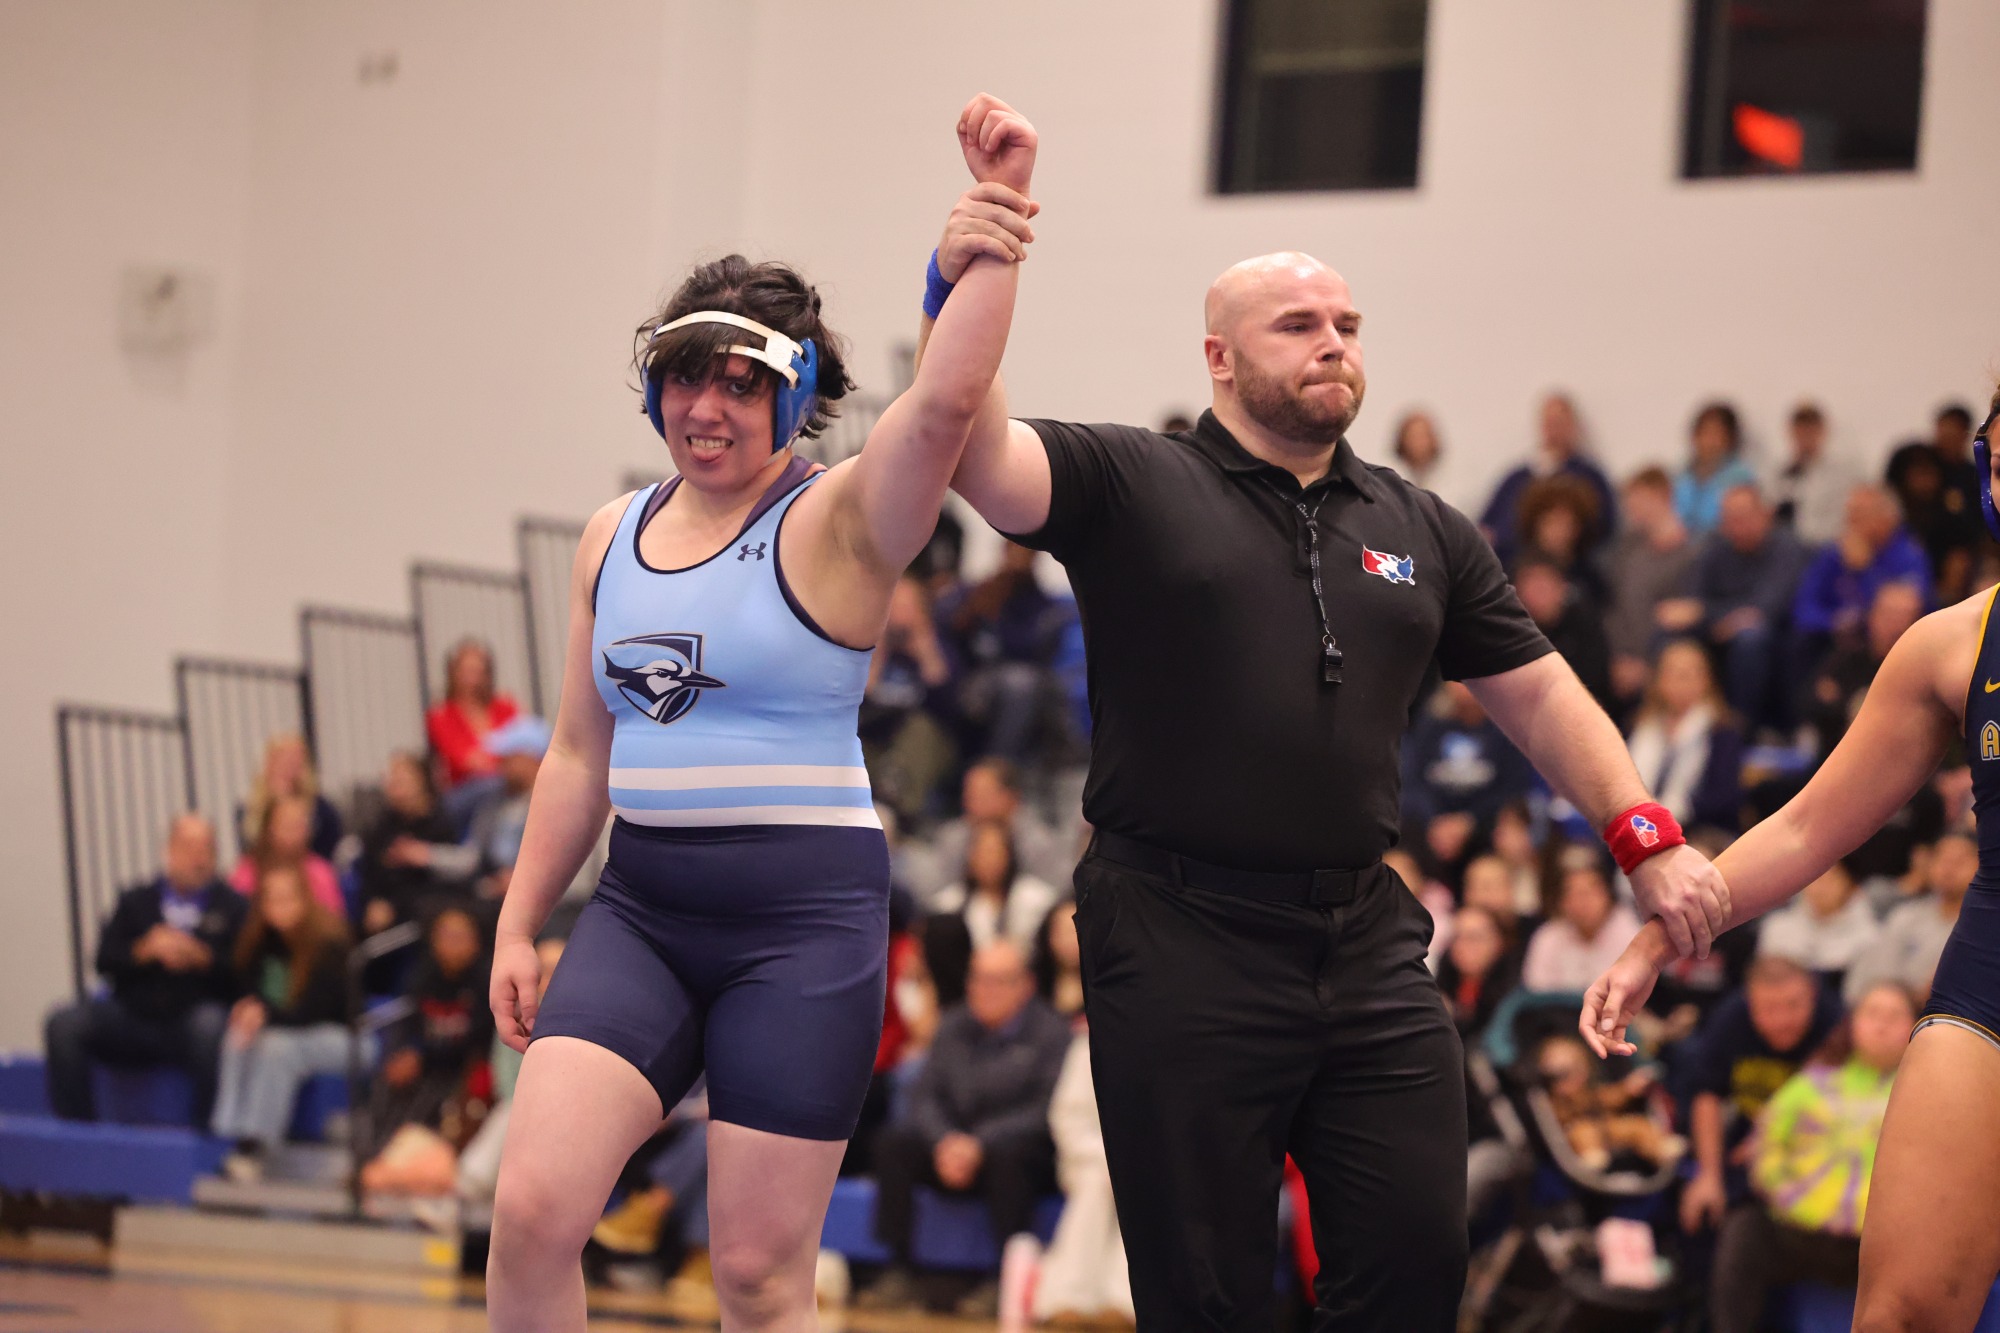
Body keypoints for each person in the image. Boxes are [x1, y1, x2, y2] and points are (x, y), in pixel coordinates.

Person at [937, 232, 1726, 1329]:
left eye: (1347, 326)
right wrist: (969, 275)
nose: (1333, 344)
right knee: (1203, 1296)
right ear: (1219, 357)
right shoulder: (1135, 480)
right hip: (1177, 935)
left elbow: (1542, 694)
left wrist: (1644, 835)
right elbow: (970, 446)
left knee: (1416, 1259)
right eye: (1298, 325)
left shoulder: (1420, 525)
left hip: (1361, 937)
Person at [481, 94, 1040, 1333]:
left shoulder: (839, 520)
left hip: (800, 924)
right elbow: (575, 752)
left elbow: (943, 410)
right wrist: (519, 923)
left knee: (755, 1275)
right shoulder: (610, 535)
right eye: (686, 381)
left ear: (795, 404)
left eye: (741, 388)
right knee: (529, 1212)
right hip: (642, 908)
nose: (707, 410)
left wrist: (976, 247)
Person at [861, 940, 1070, 1318]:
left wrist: (979, 1143)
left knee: (1013, 1157)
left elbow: (1046, 1109)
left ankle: (1002, 1279)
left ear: (1025, 985)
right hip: (953, 1145)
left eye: (997, 980)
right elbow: (925, 1096)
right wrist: (945, 1140)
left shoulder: (1051, 1033)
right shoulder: (953, 1024)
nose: (984, 990)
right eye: (977, 978)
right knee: (893, 1143)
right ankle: (898, 1270)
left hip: (1016, 1150)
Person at [1707, 981, 1916, 1333]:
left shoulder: (1922, 1096)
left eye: (1894, 1016)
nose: (1881, 1025)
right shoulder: (1811, 1084)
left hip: (1878, 1246)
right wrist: (1788, 1197)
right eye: (1872, 1014)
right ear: (1852, 1023)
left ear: (1915, 1027)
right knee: (1743, 1230)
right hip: (1799, 1230)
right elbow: (1766, 1147)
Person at [44, 814, 245, 1126]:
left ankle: (207, 1136)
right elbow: (103, 960)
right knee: (63, 1024)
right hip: (133, 1015)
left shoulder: (234, 907)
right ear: (169, 850)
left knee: (211, 1028)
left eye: (206, 848)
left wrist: (202, 957)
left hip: (193, 1017)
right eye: (188, 847)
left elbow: (246, 973)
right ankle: (78, 1134)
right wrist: (144, 951)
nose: (198, 857)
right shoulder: (136, 900)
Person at [1671, 955, 1843, 1235]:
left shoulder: (1836, 1024)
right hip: (1746, 1140)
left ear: (1812, 995)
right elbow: (1707, 1092)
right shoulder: (1731, 1018)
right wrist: (1708, 1175)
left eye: (1793, 1005)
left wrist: (1769, 1138)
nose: (1782, 1020)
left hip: (1818, 1146)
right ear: (1749, 1001)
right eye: (1769, 1008)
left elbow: (1843, 1103)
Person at [210, 861, 353, 1181]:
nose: (279, 907)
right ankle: (226, 1132)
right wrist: (248, 1011)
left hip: (343, 1037)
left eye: (287, 898)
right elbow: (247, 990)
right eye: (271, 899)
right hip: (287, 1030)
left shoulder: (329, 943)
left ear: (305, 898)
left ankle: (255, 1146)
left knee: (276, 1047)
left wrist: (263, 1015)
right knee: (240, 1032)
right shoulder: (259, 942)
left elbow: (313, 1012)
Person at [1656, 482, 1808, 729]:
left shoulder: (1786, 549)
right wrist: (1714, 617)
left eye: (1743, 517)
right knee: (1667, 634)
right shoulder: (1717, 546)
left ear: (1764, 514)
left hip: (1774, 639)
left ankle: (1739, 729)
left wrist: (1707, 614)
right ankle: (1663, 725)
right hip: (1715, 631)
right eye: (1729, 519)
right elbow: (1691, 601)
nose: (1736, 526)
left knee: (1750, 638)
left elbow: (1765, 608)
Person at [924, 819, 1063, 1006]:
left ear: (1009, 854)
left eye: (995, 851)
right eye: (981, 852)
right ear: (970, 857)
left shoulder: (1038, 900)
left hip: (1030, 990)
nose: (989, 860)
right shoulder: (947, 905)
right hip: (966, 995)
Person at [1791, 483, 1933, 659]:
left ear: (1887, 518)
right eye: (1849, 514)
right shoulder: (1835, 552)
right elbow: (1803, 609)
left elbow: (1902, 614)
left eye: (1860, 515)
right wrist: (1835, 622)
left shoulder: (1909, 555)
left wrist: (1865, 570)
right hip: (1833, 638)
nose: (1850, 522)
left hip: (1884, 646)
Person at [1479, 392, 1615, 567]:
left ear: (1572, 426)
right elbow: (1488, 526)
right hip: (1511, 568)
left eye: (1559, 422)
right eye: (1548, 423)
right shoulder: (1517, 477)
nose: (1553, 430)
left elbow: (1604, 529)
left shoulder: (1589, 477)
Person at [1623, 638, 1744, 834]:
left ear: (1707, 680)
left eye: (1690, 674)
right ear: (1658, 680)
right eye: (1674, 674)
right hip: (1638, 828)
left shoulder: (1723, 731)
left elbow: (1724, 798)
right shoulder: (1638, 727)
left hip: (1701, 830)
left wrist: (1671, 815)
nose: (1682, 682)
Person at [1842, 827, 1974, 1005]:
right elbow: (1873, 975)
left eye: (1959, 861)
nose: (1948, 868)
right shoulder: (1906, 915)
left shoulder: (1988, 929)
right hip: (1893, 1009)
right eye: (1942, 858)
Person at [1605, 466, 1695, 708]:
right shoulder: (1627, 550)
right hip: (1624, 663)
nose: (1631, 507)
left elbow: (1684, 616)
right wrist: (1620, 657)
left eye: (1639, 498)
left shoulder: (1695, 551)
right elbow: (1615, 608)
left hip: (1667, 664)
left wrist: (1650, 666)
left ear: (1663, 495)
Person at [1519, 853, 1642, 993]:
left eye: (1589, 892)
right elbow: (1536, 994)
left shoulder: (1629, 930)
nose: (1583, 902)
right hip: (1559, 1007)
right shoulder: (1547, 937)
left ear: (1607, 894)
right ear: (1561, 902)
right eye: (1574, 894)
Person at [1754, 861, 1879, 988]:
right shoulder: (1777, 927)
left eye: (1830, 881)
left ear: (1851, 886)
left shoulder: (1869, 937)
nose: (1821, 888)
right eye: (1815, 879)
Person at [426, 638, 521, 792]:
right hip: (465, 789)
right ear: (453, 673)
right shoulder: (440, 716)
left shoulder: (505, 707)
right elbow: (463, 761)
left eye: (478, 671)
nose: (472, 678)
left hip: (508, 781)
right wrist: (506, 762)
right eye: (467, 671)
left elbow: (525, 746)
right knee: (495, 785)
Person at [228, 792, 344, 918]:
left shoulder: (321, 872)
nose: (293, 833)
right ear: (269, 828)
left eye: (299, 825)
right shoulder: (248, 871)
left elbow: (334, 919)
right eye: (287, 825)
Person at [236, 732, 343, 864]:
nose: (289, 766)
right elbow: (249, 850)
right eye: (283, 759)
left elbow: (330, 851)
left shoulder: (322, 810)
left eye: (295, 760)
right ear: (269, 763)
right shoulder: (248, 810)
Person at [1770, 401, 1855, 547]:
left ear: (1822, 431)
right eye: (1800, 431)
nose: (1805, 437)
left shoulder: (1841, 474)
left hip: (1826, 545)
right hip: (1787, 548)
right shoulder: (1779, 473)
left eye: (1810, 430)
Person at [1673, 401, 1758, 536]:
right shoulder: (1680, 475)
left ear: (1730, 439)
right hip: (1680, 544)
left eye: (1717, 434)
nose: (1709, 442)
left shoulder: (1740, 477)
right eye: (1704, 433)